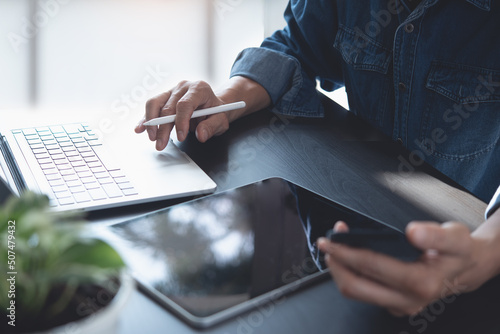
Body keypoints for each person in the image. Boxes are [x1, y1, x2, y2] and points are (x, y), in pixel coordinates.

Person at [135, 0, 500, 316]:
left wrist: (485, 251)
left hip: (476, 249)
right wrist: (227, 99)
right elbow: (296, 47)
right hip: (356, 240)